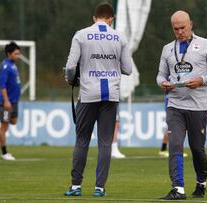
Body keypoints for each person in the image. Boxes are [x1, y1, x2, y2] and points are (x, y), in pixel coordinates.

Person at [64, 3, 132, 197]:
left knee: (82, 140)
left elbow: (70, 67)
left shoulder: (81, 34)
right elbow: (128, 69)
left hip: (87, 94)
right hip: (110, 94)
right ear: (111, 18)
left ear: (95, 18)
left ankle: (76, 186)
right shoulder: (120, 36)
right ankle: (99, 187)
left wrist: (72, 80)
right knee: (105, 143)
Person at [156, 10, 207, 200]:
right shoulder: (167, 49)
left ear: (191, 24)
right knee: (175, 145)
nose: (179, 32)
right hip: (175, 105)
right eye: (176, 29)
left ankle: (202, 182)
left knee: (197, 149)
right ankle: (178, 188)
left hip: (199, 106)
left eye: (183, 28)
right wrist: (162, 83)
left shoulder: (205, 45)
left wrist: (201, 80)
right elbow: (160, 75)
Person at [0, 42, 21, 161]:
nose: (18, 55)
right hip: (6, 102)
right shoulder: (6, 66)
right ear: (9, 54)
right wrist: (6, 101)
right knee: (4, 126)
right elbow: (2, 84)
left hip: (14, 101)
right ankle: (4, 153)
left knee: (14, 121)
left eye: (19, 53)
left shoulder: (12, 64)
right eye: (16, 53)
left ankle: (4, 153)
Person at [158, 93, 187, 158]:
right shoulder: (171, 95)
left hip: (172, 108)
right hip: (173, 109)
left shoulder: (169, 94)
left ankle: (164, 149)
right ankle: (167, 150)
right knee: (172, 129)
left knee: (171, 129)